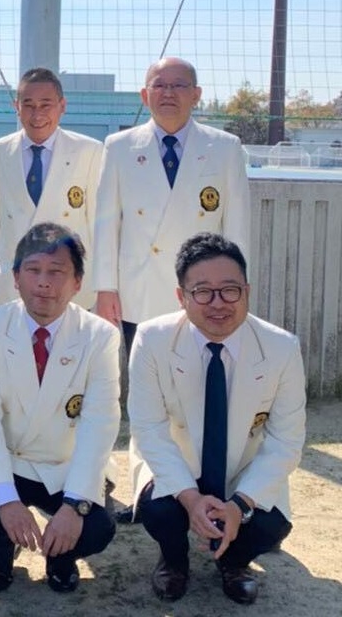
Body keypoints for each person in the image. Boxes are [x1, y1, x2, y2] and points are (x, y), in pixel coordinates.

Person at [128, 232, 305, 605]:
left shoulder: (281, 347)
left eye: (230, 290)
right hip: (179, 463)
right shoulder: (152, 339)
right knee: (160, 510)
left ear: (247, 292)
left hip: (242, 469)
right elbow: (149, 429)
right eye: (203, 292)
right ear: (181, 297)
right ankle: (174, 560)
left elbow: (286, 441)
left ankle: (234, 562)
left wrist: (239, 504)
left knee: (270, 524)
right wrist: (191, 499)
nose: (219, 303)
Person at [0, 222, 120, 598]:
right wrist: (6, 500)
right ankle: (0, 557)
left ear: (78, 283)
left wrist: (74, 505)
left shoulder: (100, 337)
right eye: (33, 270)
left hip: (65, 464)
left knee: (97, 528)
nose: (44, 283)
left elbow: (100, 423)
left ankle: (60, 559)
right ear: (16, 278)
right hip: (9, 459)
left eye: (56, 271)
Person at [93, 57, 250, 355]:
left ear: (196, 94)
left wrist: (236, 289)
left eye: (179, 85)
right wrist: (105, 287)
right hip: (139, 290)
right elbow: (106, 224)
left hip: (204, 292)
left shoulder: (225, 147)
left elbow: (236, 228)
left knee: (198, 372)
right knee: (143, 374)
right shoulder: (119, 146)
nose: (168, 93)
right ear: (144, 95)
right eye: (159, 86)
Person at [0, 68, 102, 307]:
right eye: (29, 105)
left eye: (46, 105)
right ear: (17, 107)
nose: (37, 114)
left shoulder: (90, 151)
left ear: (62, 106)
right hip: (12, 285)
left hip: (68, 287)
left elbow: (97, 222)